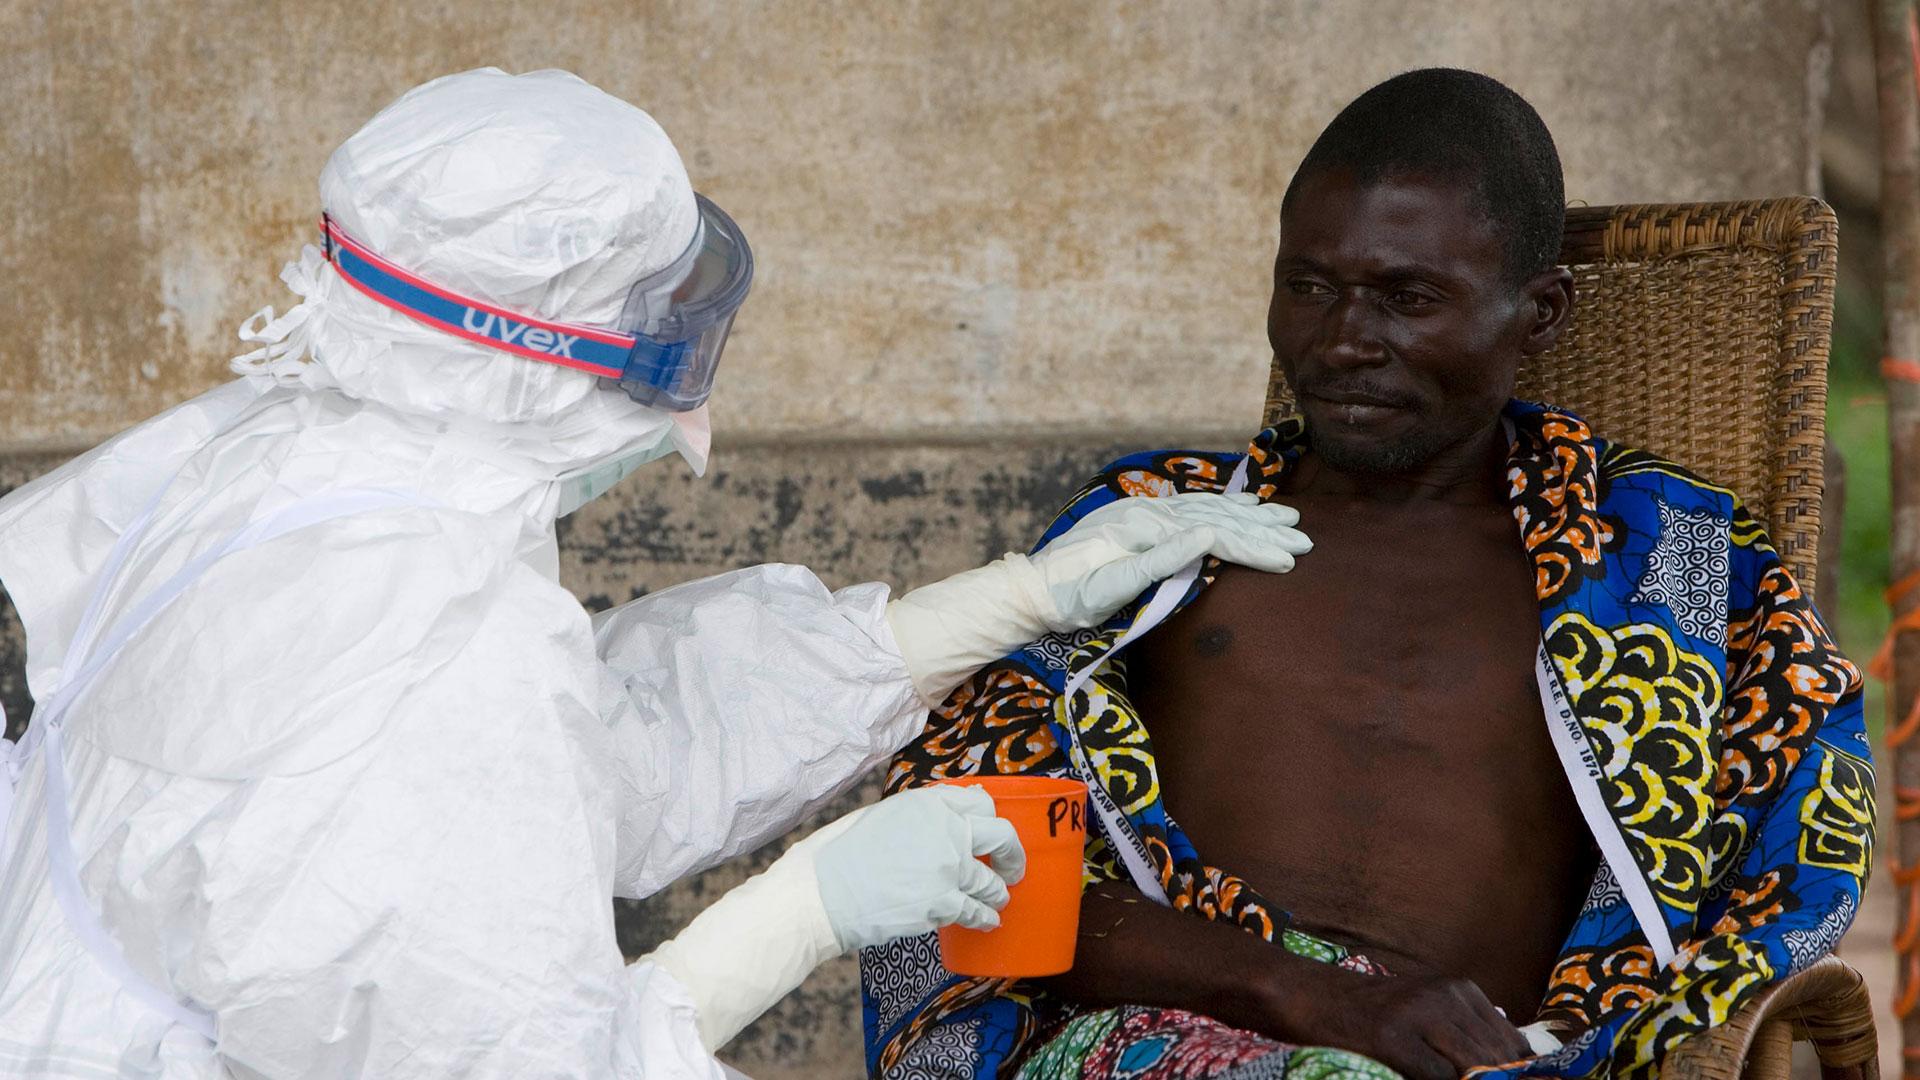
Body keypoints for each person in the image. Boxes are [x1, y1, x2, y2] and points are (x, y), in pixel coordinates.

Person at [0, 69, 1314, 1079]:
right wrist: (801, 914)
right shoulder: (429, 656)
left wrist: (995, 605)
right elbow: (525, 1059)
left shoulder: (318, 481)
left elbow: (576, 762)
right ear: (535, 353)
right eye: (659, 313)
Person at [862, 68, 1874, 1080]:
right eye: (1309, 287)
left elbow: (1796, 853)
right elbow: (968, 865)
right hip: (1145, 1047)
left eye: (1408, 298)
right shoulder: (1153, 536)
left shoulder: (1666, 566)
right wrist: (1309, 994)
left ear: (1541, 313)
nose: (1345, 341)